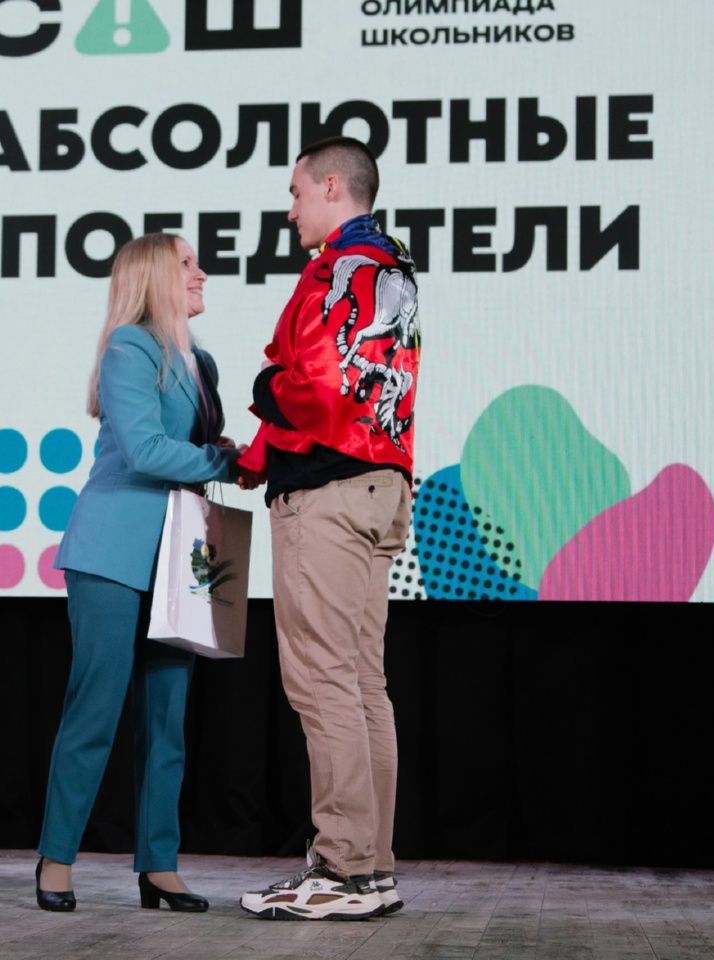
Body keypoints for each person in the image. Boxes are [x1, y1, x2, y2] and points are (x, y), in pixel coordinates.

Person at [235, 136, 420, 921]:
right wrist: (253, 459)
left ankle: (342, 871)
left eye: (296, 192)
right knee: (362, 684)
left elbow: (315, 391)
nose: (291, 209)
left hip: (329, 497)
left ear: (333, 186)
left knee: (323, 683)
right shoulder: (393, 266)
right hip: (381, 486)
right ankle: (370, 871)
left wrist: (262, 385)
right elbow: (355, 389)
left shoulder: (337, 268)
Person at [36, 233, 241, 914]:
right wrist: (229, 461)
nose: (201, 273)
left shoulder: (200, 361)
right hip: (113, 552)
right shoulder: (129, 346)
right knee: (94, 710)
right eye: (187, 264)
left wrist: (229, 452)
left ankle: (159, 866)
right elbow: (148, 450)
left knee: (167, 721)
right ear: (154, 277)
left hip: (182, 553)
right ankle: (56, 859)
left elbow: (195, 445)